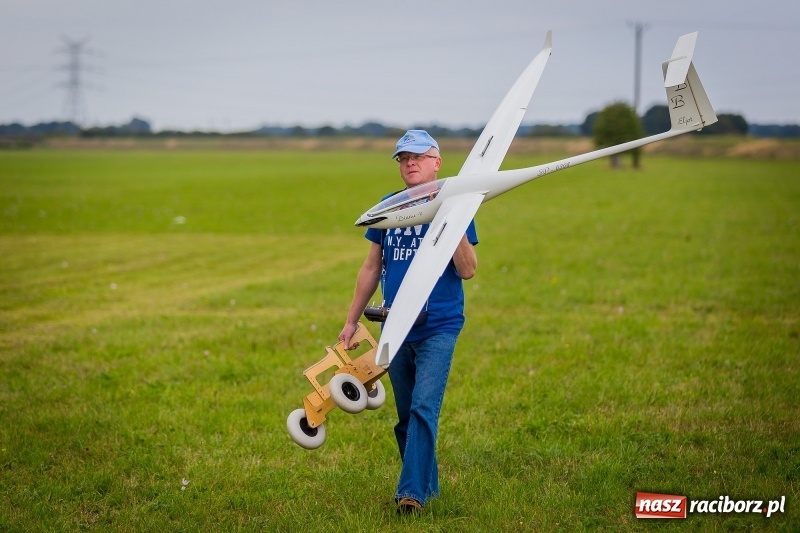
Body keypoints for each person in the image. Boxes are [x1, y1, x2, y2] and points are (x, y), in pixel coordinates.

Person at [338, 130, 478, 514]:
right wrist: (351, 321)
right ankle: (427, 488)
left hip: (439, 326)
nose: (409, 163)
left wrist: (451, 221)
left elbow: (467, 270)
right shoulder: (390, 206)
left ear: (437, 162)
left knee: (422, 409)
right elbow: (371, 267)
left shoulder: (458, 204)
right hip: (394, 326)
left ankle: (410, 495)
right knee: (404, 419)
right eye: (402, 158)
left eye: (417, 156)